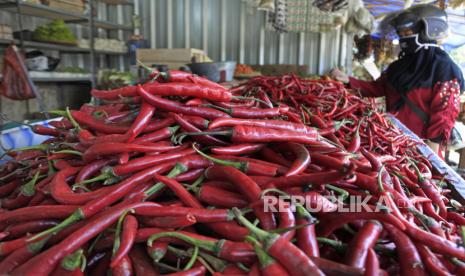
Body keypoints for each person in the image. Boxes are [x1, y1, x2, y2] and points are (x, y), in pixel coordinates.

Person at [331, 4, 464, 156]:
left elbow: (444, 114)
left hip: (420, 148)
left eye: (407, 31)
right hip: (391, 140)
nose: (403, 37)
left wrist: (432, 151)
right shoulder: (399, 66)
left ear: (429, 30)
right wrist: (348, 80)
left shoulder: (444, 69)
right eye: (400, 33)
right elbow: (377, 88)